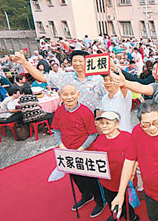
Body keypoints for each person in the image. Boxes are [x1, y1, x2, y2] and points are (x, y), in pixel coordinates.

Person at [51, 84, 105, 217]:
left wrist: (81, 148)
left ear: (78, 95)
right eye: (65, 94)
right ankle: (86, 195)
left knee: (91, 178)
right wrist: (60, 144)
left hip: (85, 151)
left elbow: (92, 134)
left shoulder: (85, 111)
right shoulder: (59, 111)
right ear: (60, 96)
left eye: (72, 94)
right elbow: (56, 130)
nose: (69, 97)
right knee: (76, 176)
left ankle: (100, 201)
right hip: (67, 151)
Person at [13, 50, 106, 111]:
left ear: (87, 62)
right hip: (73, 117)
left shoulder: (97, 79)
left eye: (80, 61)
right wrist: (25, 63)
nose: (77, 64)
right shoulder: (65, 77)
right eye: (74, 61)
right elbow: (41, 77)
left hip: (94, 118)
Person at [92, 111, 139, 221]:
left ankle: (131, 217)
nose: (104, 126)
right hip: (107, 181)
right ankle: (116, 214)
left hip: (125, 180)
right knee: (111, 200)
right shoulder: (99, 140)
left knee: (127, 205)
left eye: (107, 123)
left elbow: (136, 157)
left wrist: (132, 172)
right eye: (102, 123)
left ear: (117, 124)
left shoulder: (128, 138)